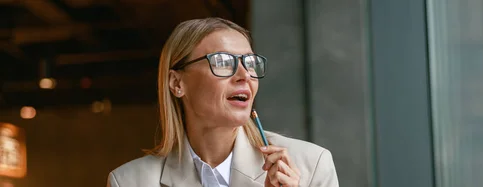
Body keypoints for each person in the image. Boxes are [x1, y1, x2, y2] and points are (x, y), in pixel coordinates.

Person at [106, 17, 339, 187]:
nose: (244, 75)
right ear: (177, 83)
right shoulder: (128, 182)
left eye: (250, 62)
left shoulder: (312, 165)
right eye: (222, 62)